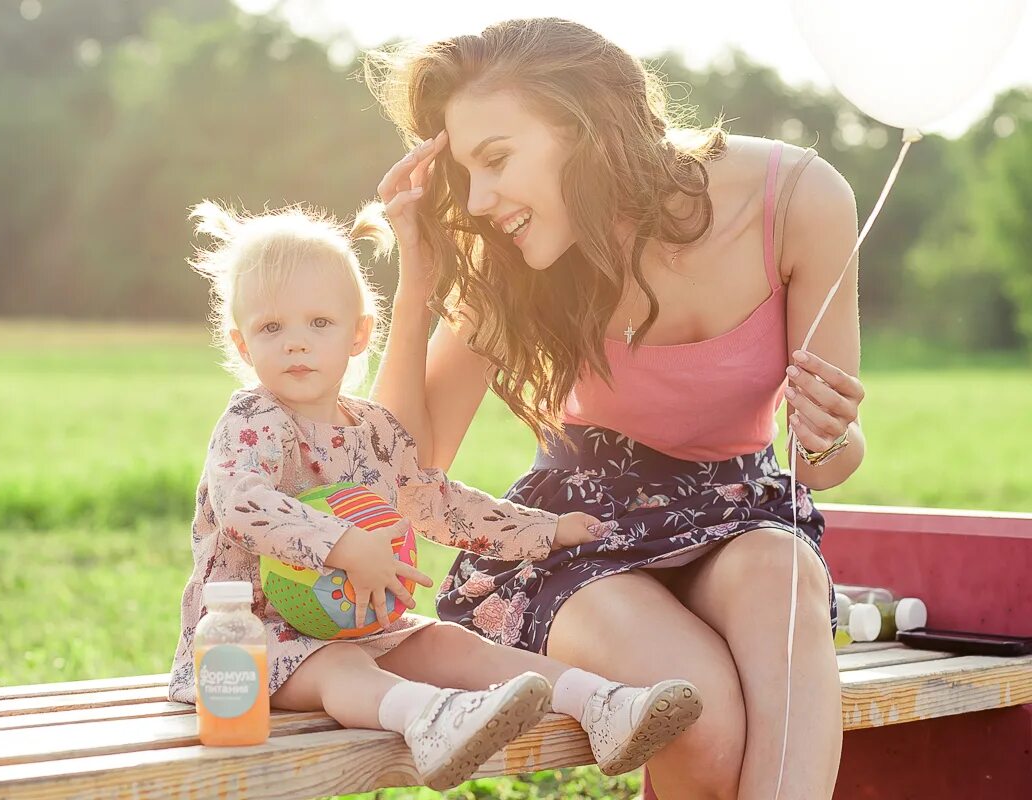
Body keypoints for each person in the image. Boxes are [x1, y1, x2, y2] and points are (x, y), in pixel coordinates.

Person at [366, 17, 866, 800]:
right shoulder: (515, 262)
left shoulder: (798, 200)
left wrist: (830, 432)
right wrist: (419, 286)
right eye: (467, 173)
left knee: (784, 571)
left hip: (737, 516)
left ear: (587, 127)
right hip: (580, 536)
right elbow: (398, 472)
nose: (482, 198)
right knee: (697, 710)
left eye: (496, 160)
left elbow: (827, 467)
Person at [166, 199, 703, 790]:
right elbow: (243, 504)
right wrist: (347, 546)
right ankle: (429, 719)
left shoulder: (372, 429)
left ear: (357, 334)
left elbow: (433, 502)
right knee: (340, 666)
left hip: (359, 624)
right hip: (251, 649)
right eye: (272, 328)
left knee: (450, 642)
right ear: (244, 345)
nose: (296, 343)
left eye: (319, 323)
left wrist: (544, 529)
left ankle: (603, 703)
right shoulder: (253, 421)